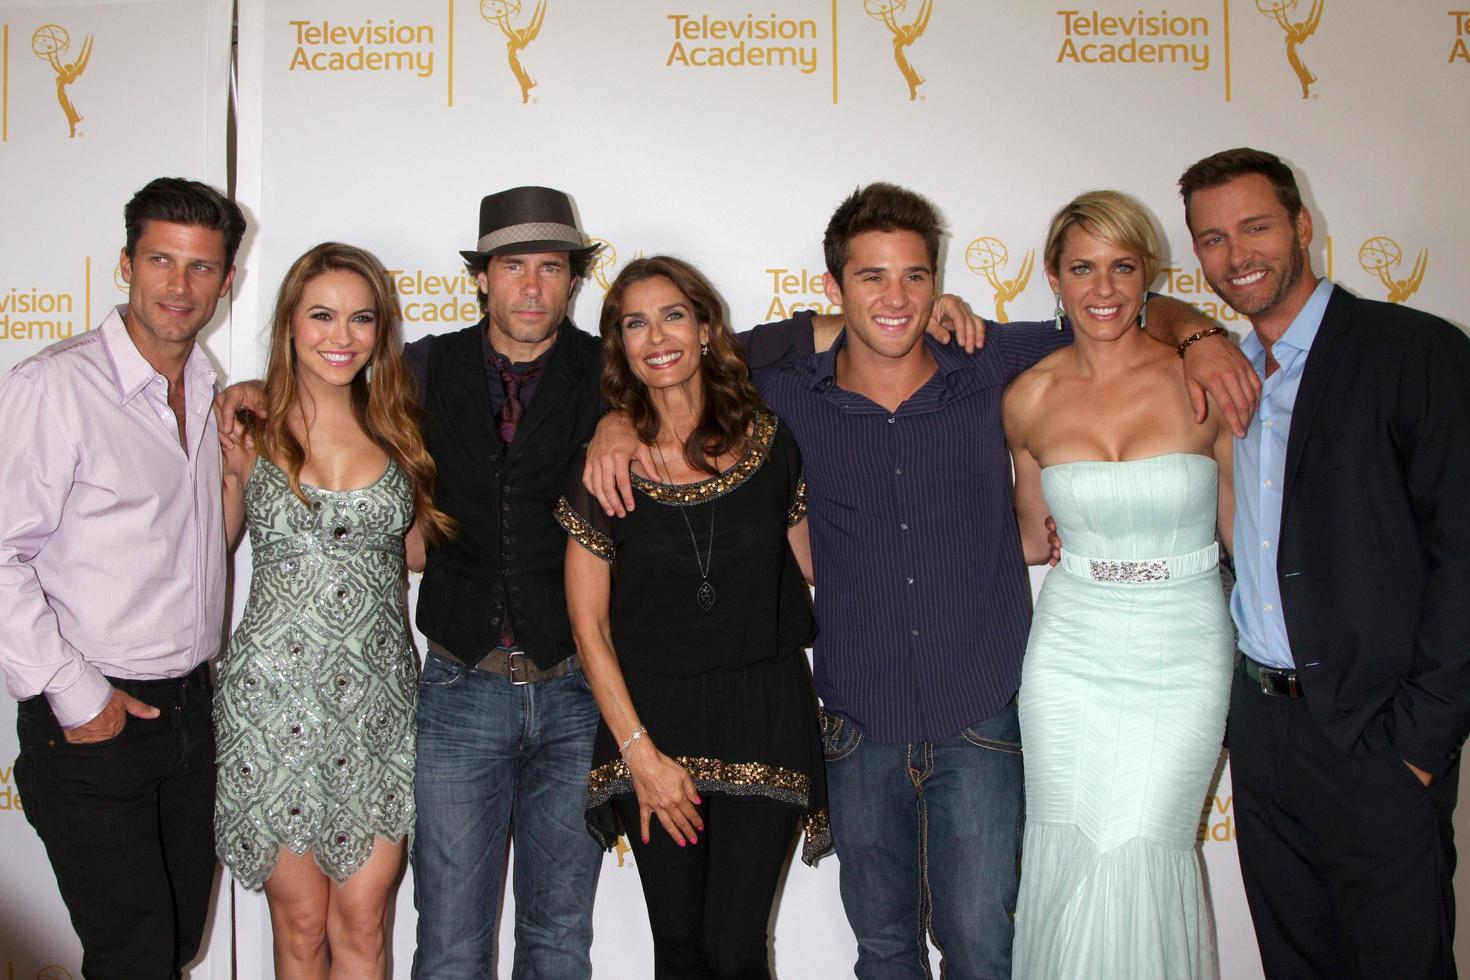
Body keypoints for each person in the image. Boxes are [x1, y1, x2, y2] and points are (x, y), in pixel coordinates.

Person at [213, 186, 986, 978]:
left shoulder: (610, 374)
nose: (532, 287)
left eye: (552, 268)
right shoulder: (420, 370)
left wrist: (924, 310)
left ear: (574, 280)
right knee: (448, 940)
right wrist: (249, 392)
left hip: (574, 693)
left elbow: (772, 343)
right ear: (482, 278)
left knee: (558, 938)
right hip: (457, 689)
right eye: (513, 266)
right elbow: (329, 377)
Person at [582, 183, 1258, 978]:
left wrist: (1206, 335)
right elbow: (676, 355)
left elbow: (1117, 311)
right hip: (857, 721)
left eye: (914, 276)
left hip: (982, 716)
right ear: (834, 290)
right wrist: (614, 419)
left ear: (939, 283)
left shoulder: (992, 360)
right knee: (885, 953)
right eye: (871, 277)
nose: (895, 298)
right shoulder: (788, 388)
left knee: (982, 949)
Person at [1177, 147, 1470, 978]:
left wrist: (1419, 745)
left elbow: (1463, 557)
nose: (1237, 256)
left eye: (1256, 227)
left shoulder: (1413, 352)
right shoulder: (1222, 370)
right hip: (1266, 737)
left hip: (1379, 733)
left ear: (1304, 227)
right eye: (1212, 240)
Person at [0, 177, 244, 978]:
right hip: (93, 722)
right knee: (134, 955)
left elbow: (195, 541)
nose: (180, 285)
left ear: (227, 280)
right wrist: (78, 696)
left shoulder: (209, 390)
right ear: (125, 265)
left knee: (172, 946)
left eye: (202, 267)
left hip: (191, 712)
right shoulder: (56, 387)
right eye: (162, 260)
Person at [557, 256, 825, 978]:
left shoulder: (772, 442)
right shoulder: (605, 465)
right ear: (620, 346)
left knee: (734, 949)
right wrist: (639, 754)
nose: (657, 336)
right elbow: (589, 628)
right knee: (678, 948)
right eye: (634, 323)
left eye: (673, 314)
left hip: (766, 714)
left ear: (706, 329)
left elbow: (819, 568)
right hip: (654, 723)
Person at [1003, 191, 1235, 979]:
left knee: (1144, 843)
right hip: (1070, 650)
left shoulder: (1204, 378)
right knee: (1067, 845)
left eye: (1122, 268)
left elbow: (1245, 530)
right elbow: (1035, 537)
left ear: (1149, 279)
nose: (1102, 290)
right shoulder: (1027, 396)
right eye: (1082, 268)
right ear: (1054, 279)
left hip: (1183, 647)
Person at [214, 243, 453, 977]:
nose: (340, 336)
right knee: (304, 924)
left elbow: (416, 555)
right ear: (288, 324)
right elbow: (206, 553)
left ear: (382, 331)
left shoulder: (404, 433)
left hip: (377, 707)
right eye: (321, 315)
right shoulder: (248, 430)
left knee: (362, 921)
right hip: (270, 703)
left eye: (360, 319)